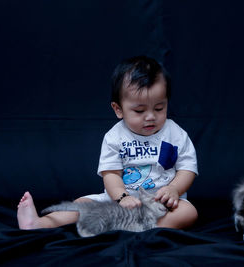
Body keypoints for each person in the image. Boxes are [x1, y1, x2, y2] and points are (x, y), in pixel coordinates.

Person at [17, 55, 198, 230]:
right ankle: (41, 223)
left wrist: (174, 189)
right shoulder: (115, 137)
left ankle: (148, 228)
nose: (151, 117)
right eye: (139, 110)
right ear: (118, 109)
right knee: (81, 205)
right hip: (120, 202)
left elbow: (187, 168)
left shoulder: (175, 134)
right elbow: (111, 174)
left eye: (159, 108)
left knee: (188, 212)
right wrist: (122, 197)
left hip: (162, 205)